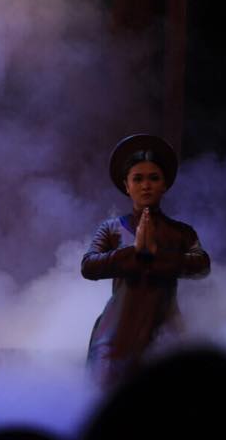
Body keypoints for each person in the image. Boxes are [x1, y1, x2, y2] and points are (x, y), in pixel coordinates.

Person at [81, 134, 210, 386]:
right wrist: (134, 253)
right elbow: (89, 265)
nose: (146, 185)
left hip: (165, 333)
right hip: (115, 335)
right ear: (126, 185)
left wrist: (156, 254)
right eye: (138, 179)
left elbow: (202, 264)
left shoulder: (182, 232)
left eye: (154, 178)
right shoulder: (111, 229)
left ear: (164, 184)